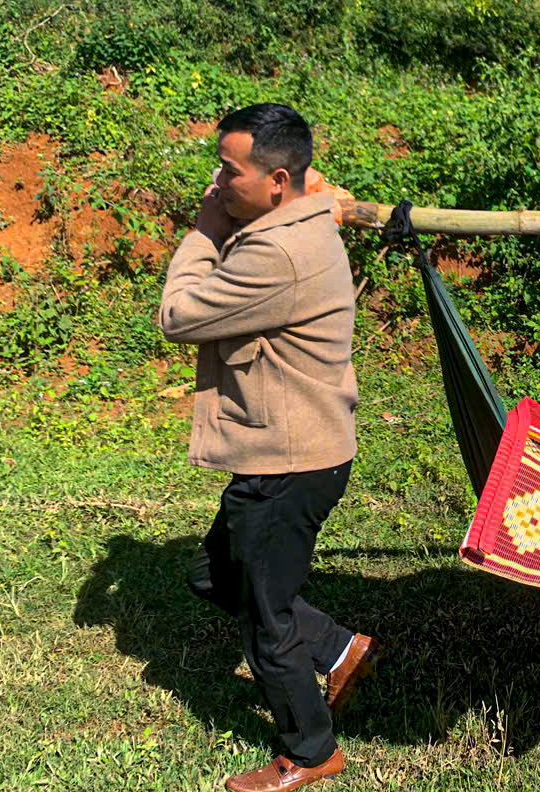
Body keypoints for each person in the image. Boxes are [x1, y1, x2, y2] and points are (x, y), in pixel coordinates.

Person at [159, 103, 379, 791]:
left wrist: (204, 229)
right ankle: (341, 649)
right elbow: (318, 193)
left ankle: (311, 752)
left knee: (267, 619)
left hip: (288, 464)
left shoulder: (274, 252)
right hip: (296, 450)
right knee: (213, 575)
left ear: (277, 180)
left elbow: (179, 316)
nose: (216, 183)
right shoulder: (305, 213)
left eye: (229, 172)